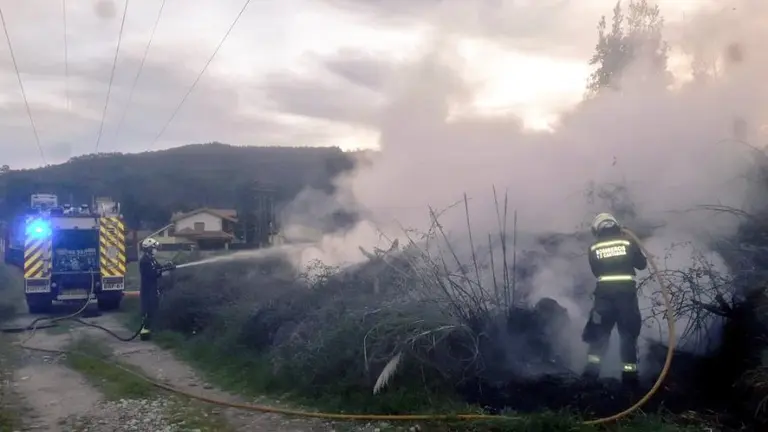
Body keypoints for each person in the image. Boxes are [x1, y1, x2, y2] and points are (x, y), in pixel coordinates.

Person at [581, 213, 647, 388]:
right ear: (616, 225)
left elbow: (596, 272)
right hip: (626, 296)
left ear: (597, 229)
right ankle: (630, 378)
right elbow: (642, 265)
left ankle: (590, 375)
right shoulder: (628, 242)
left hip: (603, 297)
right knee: (627, 336)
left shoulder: (594, 247)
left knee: (599, 334)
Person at [138, 238, 175, 341]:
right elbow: (152, 274)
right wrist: (163, 270)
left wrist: (167, 266)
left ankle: (152, 332)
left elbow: (158, 268)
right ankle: (145, 335)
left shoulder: (151, 259)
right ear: (149, 249)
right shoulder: (144, 261)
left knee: (153, 310)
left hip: (152, 289)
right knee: (147, 312)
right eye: (154, 248)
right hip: (147, 291)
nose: (155, 250)